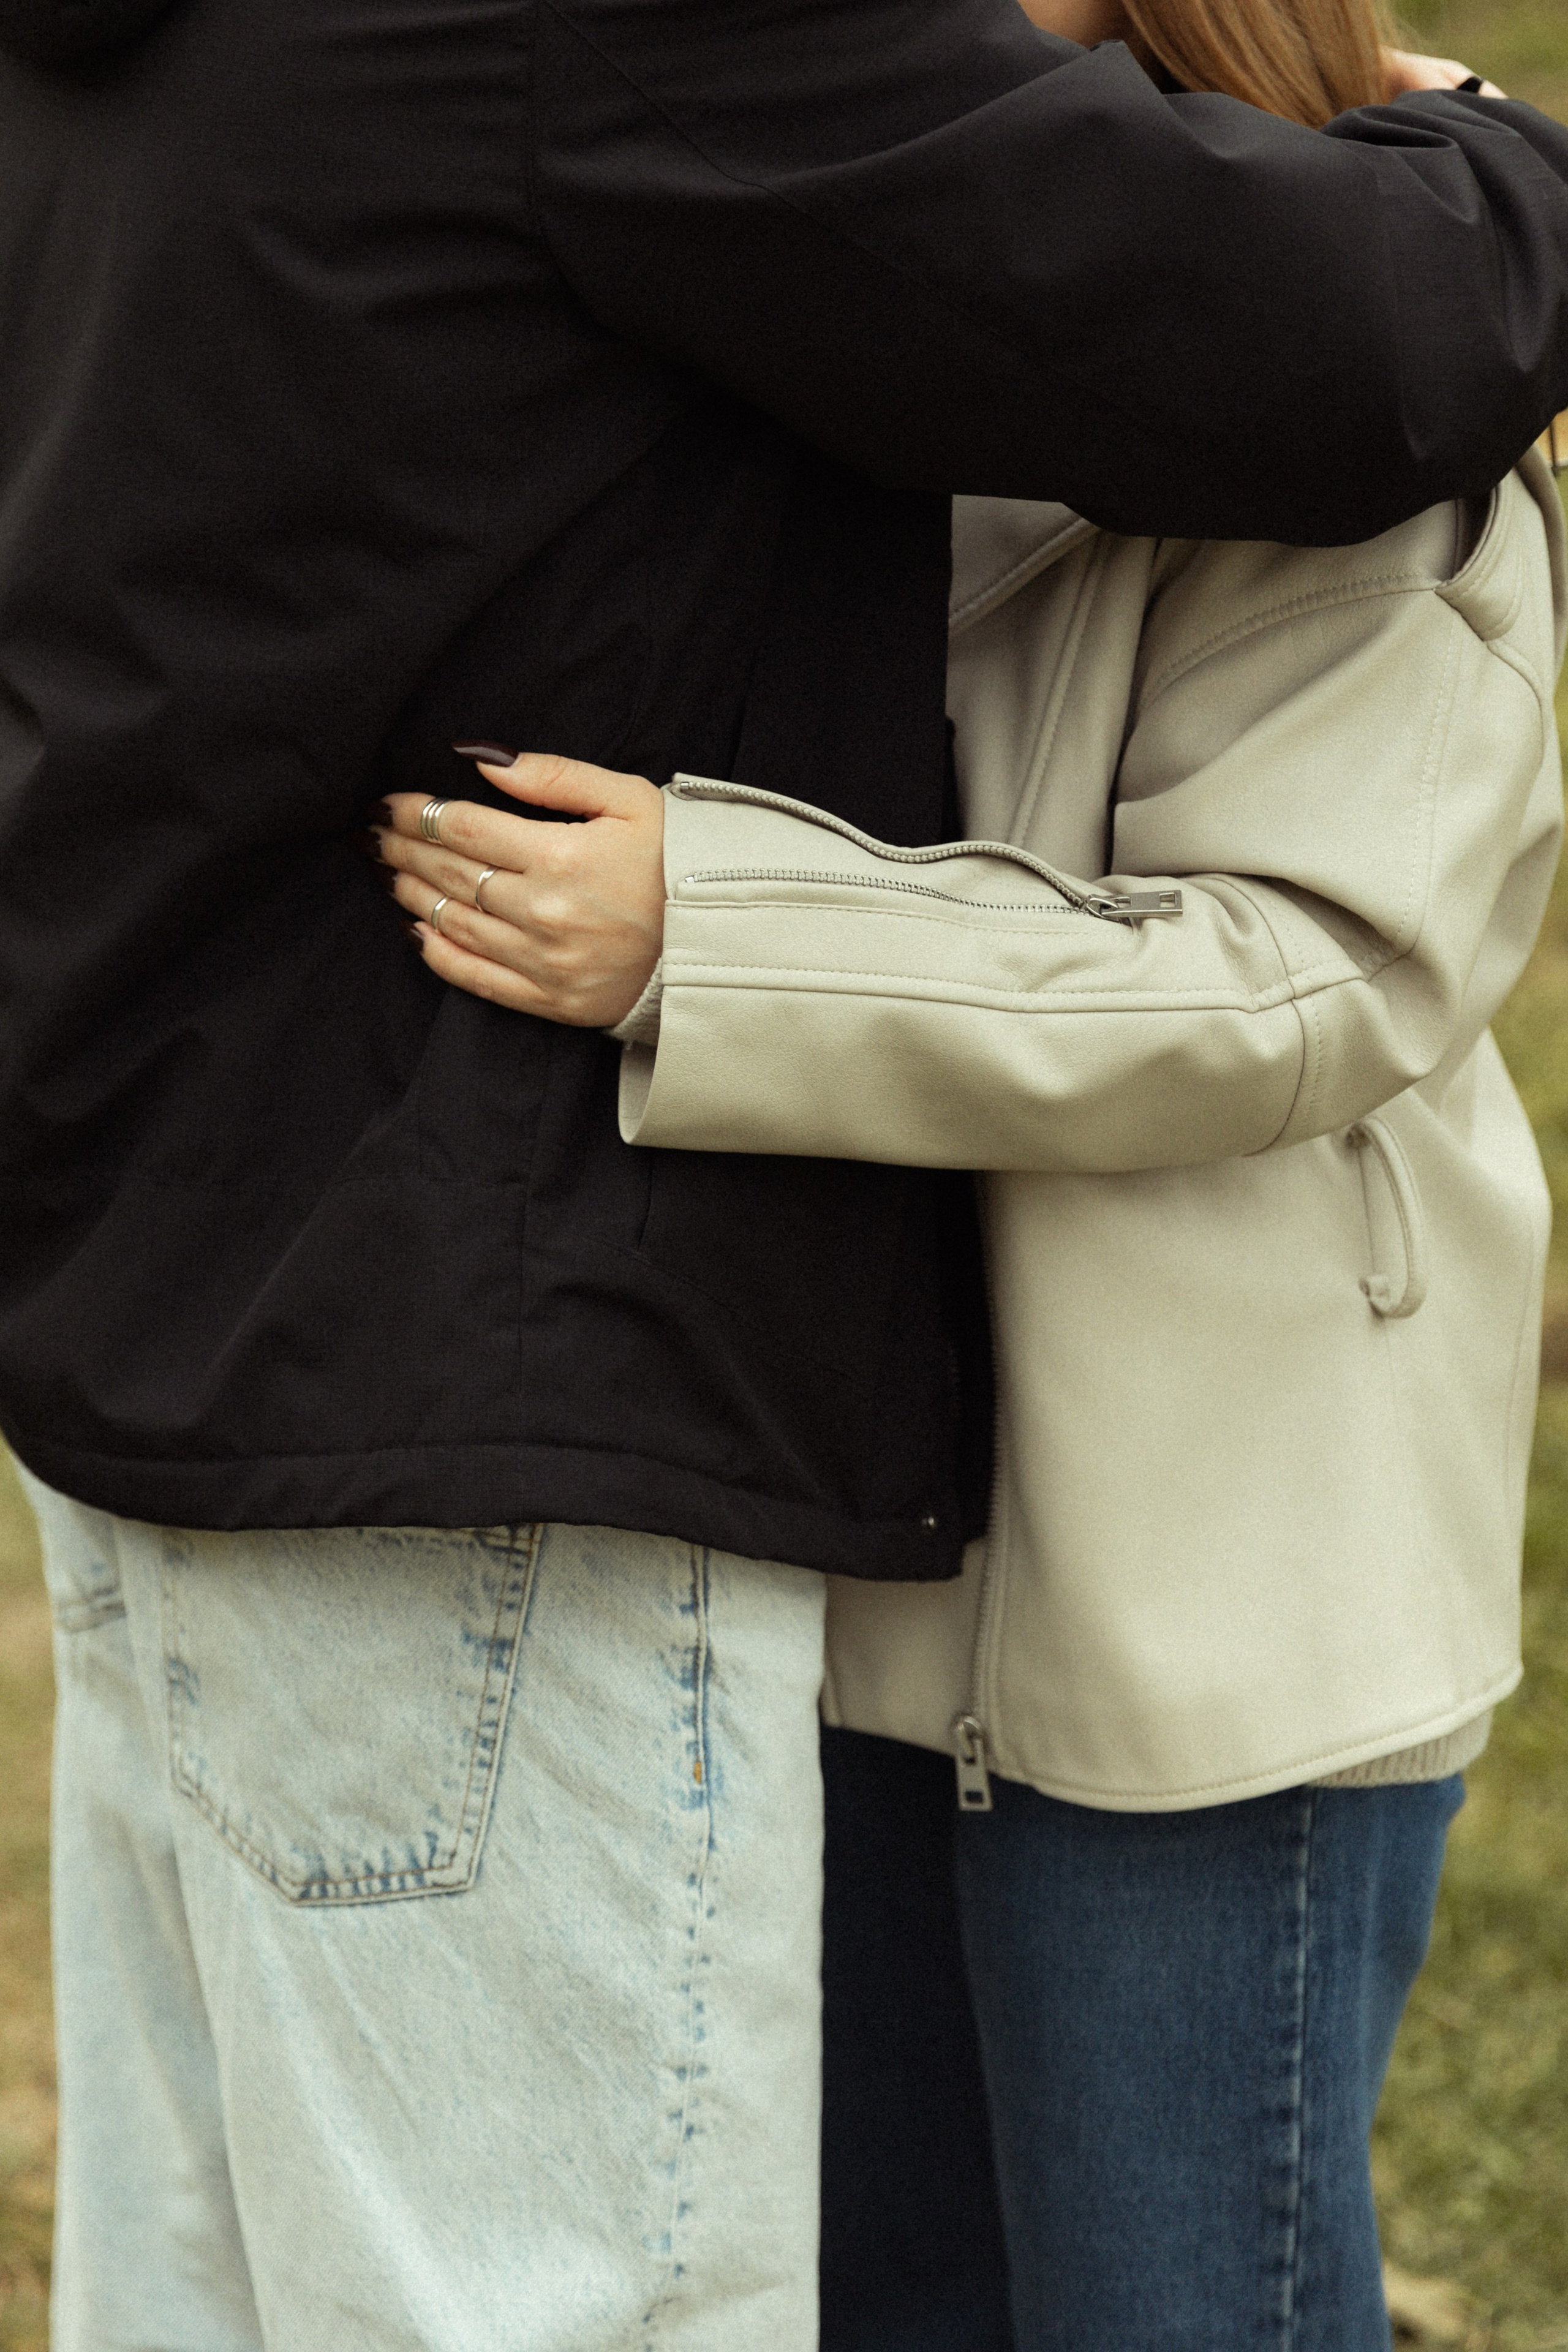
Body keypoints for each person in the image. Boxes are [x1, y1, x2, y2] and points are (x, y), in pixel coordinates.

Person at [2, 0, 1566, 2339]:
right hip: (495, 1410)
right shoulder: (747, 193)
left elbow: (1313, 933)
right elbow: (1319, 311)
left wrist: (725, 934)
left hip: (1056, 1548)